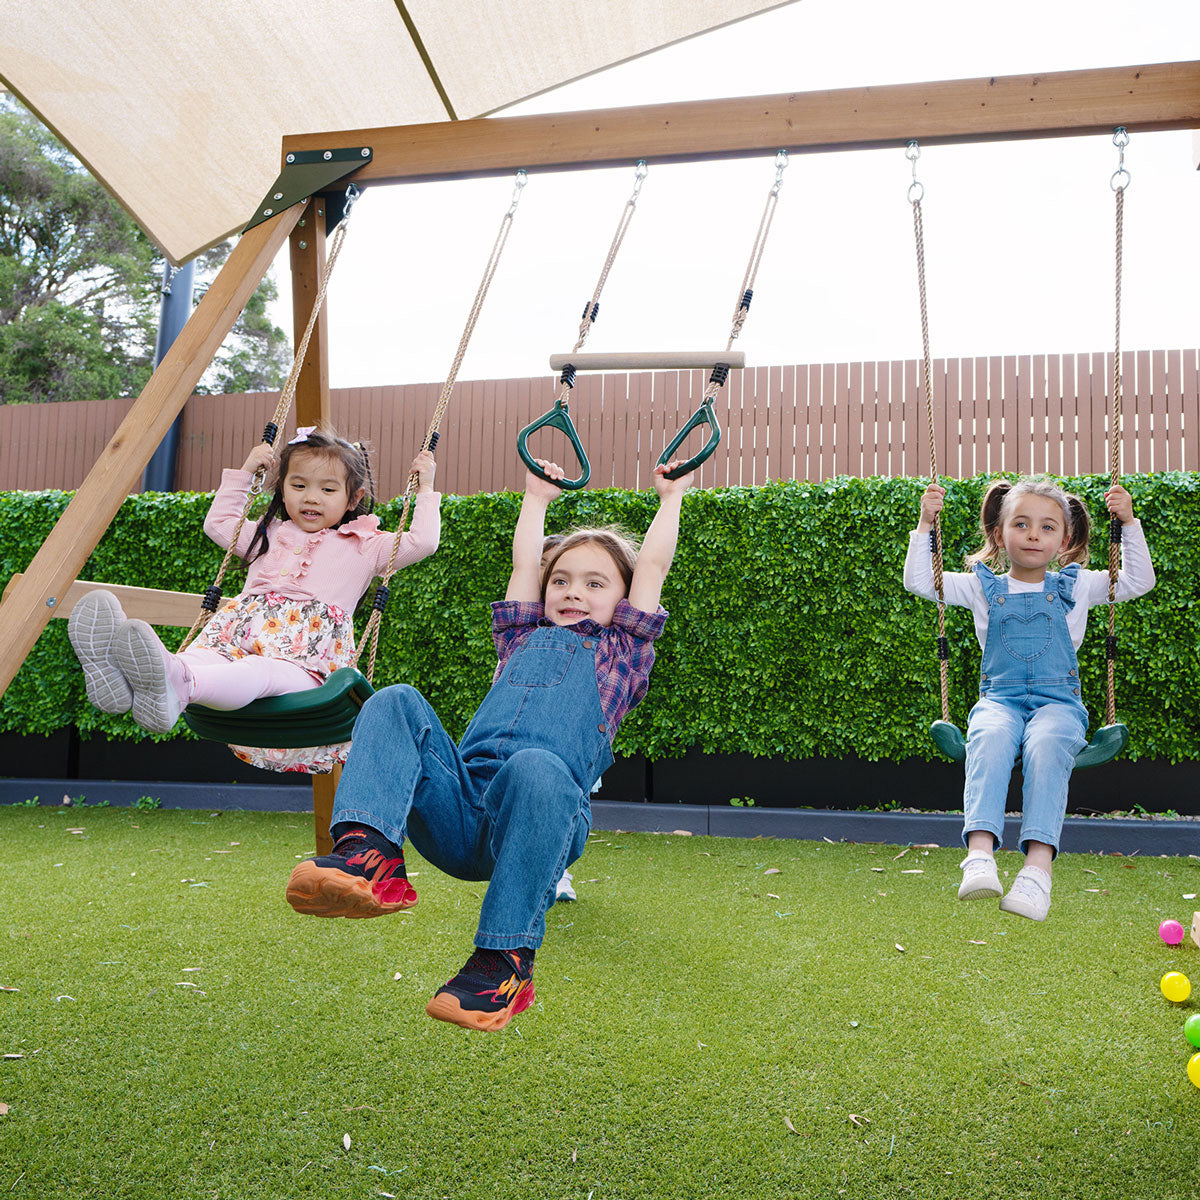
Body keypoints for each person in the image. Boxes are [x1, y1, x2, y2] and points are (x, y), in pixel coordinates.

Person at [284, 455, 693, 1031]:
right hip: (461, 813)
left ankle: (502, 963)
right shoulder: (520, 635)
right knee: (394, 699)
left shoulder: (620, 651)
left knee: (534, 766)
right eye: (562, 580)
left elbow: (653, 563)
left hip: (535, 820)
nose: (572, 592)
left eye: (595, 584)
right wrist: (536, 498)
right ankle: (369, 856)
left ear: (624, 601)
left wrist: (671, 498)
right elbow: (526, 559)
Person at [68, 426, 439, 772]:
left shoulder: (366, 546)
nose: (311, 497)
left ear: (352, 498)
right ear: (282, 489)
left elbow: (423, 542)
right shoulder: (267, 535)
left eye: (327, 490)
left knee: (256, 672)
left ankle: (178, 683)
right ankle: (123, 684)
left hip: (303, 667)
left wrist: (425, 489)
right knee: (201, 658)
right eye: (299, 485)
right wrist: (246, 471)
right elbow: (218, 524)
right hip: (235, 640)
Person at [904, 476, 1154, 921]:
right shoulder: (982, 587)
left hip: (1058, 703)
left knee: (1046, 745)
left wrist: (1129, 522)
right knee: (989, 736)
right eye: (1021, 524)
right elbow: (921, 581)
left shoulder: (1078, 586)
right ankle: (979, 856)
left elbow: (1137, 581)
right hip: (1000, 699)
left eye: (1047, 527)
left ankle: (1037, 873)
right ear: (999, 535)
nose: (1034, 535)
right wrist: (926, 523)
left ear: (1065, 538)